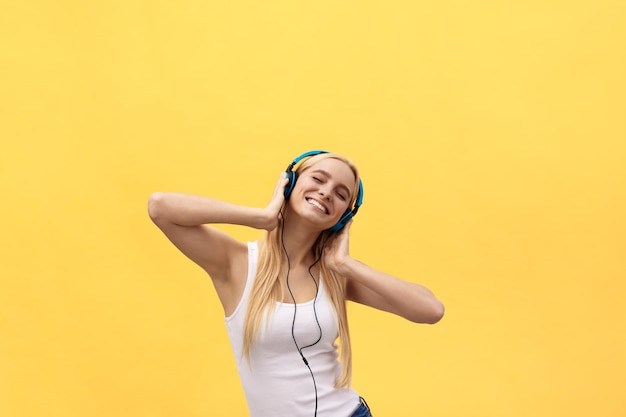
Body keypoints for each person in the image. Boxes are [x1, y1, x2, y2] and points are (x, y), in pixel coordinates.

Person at [147, 150, 444, 417]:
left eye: (341, 194)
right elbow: (160, 207)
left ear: (344, 217)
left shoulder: (336, 276)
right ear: (289, 184)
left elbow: (430, 310)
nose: (327, 193)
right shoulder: (235, 263)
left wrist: (347, 265)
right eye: (318, 179)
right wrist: (261, 217)